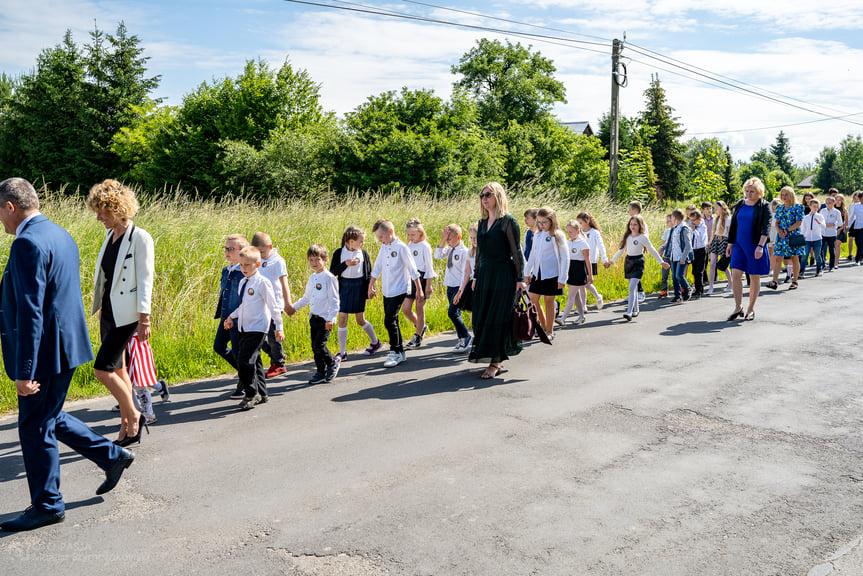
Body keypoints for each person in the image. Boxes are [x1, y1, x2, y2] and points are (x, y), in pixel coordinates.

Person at [0, 177, 134, 532]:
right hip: (66, 345)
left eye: (0, 212)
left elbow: (31, 311)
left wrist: (24, 369)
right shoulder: (60, 234)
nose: (1, 221)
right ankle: (112, 455)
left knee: (34, 426)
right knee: (50, 416)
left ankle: (47, 504)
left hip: (44, 352)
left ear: (10, 207)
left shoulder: (26, 243)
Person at [88, 179, 154, 446]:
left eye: (102, 212)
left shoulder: (140, 237)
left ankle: (135, 415)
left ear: (117, 209)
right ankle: (126, 426)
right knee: (121, 370)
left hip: (127, 315)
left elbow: (146, 279)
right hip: (109, 311)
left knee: (102, 370)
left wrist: (145, 318)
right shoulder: (109, 235)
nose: (98, 218)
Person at [468, 182, 526, 380]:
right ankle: (491, 355)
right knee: (481, 317)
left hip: (503, 275)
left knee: (497, 317)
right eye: (482, 195)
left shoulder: (508, 221)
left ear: (498, 196)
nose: (484, 198)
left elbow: (516, 252)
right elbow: (479, 253)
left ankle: (495, 362)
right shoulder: (482, 222)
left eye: (488, 195)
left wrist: (520, 279)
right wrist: (475, 276)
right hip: (485, 276)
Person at [224, 246, 282, 409]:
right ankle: (262, 393)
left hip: (258, 327)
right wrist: (231, 317)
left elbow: (273, 306)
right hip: (245, 327)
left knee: (244, 360)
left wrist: (279, 327)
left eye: (247, 265)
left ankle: (251, 393)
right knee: (254, 360)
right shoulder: (243, 281)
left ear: (257, 264)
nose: (244, 268)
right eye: (241, 265)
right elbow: (244, 306)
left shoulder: (263, 282)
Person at [368, 219, 423, 369]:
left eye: (381, 237)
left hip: (400, 289)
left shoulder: (402, 248)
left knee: (389, 320)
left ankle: (396, 351)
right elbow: (377, 267)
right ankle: (400, 352)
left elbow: (413, 270)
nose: (380, 240)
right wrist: (371, 285)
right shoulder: (384, 247)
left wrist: (419, 289)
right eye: (378, 237)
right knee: (392, 320)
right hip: (387, 290)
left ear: (390, 232)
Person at [286, 245, 340, 384]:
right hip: (314, 317)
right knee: (314, 347)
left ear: (325, 260)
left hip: (325, 319)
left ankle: (332, 363)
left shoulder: (329, 278)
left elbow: (335, 301)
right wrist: (294, 307)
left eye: (317, 259)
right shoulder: (312, 277)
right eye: (311, 260)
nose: (314, 263)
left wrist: (331, 319)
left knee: (319, 345)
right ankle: (320, 371)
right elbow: (307, 298)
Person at [330, 225, 381, 362]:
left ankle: (375, 342)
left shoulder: (363, 254)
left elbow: (369, 273)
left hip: (359, 287)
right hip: (344, 287)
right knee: (342, 318)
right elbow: (332, 272)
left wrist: (371, 288)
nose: (363, 244)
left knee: (360, 319)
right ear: (351, 241)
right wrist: (345, 264)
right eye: (361, 241)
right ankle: (342, 352)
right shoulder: (339, 253)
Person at [606, 215, 669, 321]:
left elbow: (652, 249)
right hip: (628, 262)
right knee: (633, 288)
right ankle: (636, 309)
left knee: (632, 287)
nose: (633, 226)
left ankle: (629, 312)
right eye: (631, 224)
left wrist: (661, 262)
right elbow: (621, 250)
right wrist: (611, 262)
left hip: (638, 262)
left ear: (640, 225)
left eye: (635, 224)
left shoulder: (643, 237)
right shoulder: (628, 236)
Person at [726, 177, 771, 321]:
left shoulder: (764, 206)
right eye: (747, 191)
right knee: (736, 275)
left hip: (754, 245)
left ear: (759, 192)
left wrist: (760, 246)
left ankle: (751, 308)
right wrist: (730, 243)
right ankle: (738, 307)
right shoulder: (740, 204)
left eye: (752, 191)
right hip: (739, 245)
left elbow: (766, 227)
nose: (749, 194)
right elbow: (734, 225)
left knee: (753, 276)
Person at [251, 232, 292, 378]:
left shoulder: (277, 261)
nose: (260, 255)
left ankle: (279, 364)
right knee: (257, 335)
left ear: (270, 247)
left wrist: (287, 302)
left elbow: (284, 282)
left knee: (274, 336)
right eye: (257, 253)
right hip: (260, 305)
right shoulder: (258, 259)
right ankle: (277, 354)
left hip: (274, 305)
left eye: (262, 252)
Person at [525, 206, 568, 338]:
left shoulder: (558, 235)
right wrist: (527, 272)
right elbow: (533, 254)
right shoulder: (537, 234)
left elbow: (565, 257)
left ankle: (549, 331)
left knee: (549, 301)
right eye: (539, 222)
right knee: (533, 297)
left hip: (552, 274)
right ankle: (543, 326)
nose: (541, 225)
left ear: (552, 221)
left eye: (544, 222)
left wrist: (563, 278)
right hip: (538, 273)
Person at [215, 234, 249, 400]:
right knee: (219, 346)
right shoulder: (226, 270)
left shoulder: (244, 272)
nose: (227, 251)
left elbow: (246, 298)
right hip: (225, 316)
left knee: (238, 350)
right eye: (226, 248)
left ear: (242, 251)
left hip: (238, 318)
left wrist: (234, 318)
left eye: (231, 249)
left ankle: (244, 382)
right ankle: (247, 371)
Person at [434, 224, 472, 352]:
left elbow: (464, 274)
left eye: (450, 238)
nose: (448, 241)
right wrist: (443, 240)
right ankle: (461, 338)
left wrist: (460, 291)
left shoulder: (464, 252)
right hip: (449, 285)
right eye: (447, 238)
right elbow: (437, 255)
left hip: (458, 287)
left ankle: (466, 336)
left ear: (459, 237)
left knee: (452, 313)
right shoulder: (449, 248)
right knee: (456, 313)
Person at [403, 218, 436, 349]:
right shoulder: (409, 246)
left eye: (413, 234)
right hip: (410, 279)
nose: (410, 237)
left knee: (419, 308)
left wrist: (428, 285)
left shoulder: (425, 246)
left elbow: (429, 267)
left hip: (422, 278)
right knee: (406, 309)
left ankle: (417, 337)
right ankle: (421, 327)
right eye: (409, 234)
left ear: (420, 232)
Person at [766, 186, 804, 291]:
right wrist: (779, 230)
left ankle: (795, 281)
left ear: (791, 195)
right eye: (782, 194)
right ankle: (774, 281)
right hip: (781, 236)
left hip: (793, 235)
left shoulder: (798, 207)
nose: (784, 196)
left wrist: (787, 230)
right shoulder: (779, 207)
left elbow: (798, 222)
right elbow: (777, 222)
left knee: (794, 258)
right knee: (778, 257)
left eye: (786, 194)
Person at [560, 220, 592, 325]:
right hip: (570, 269)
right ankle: (582, 316)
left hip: (579, 270)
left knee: (571, 296)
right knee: (576, 295)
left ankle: (563, 318)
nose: (569, 234)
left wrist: (590, 275)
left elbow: (588, 260)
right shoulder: (568, 243)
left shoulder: (583, 243)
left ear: (578, 232)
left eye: (571, 232)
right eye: (567, 232)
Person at [576, 212, 606, 309]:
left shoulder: (594, 233)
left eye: (580, 223)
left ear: (587, 221)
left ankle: (598, 296)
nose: (579, 225)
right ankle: (583, 306)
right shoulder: (579, 233)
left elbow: (601, 246)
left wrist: (605, 259)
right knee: (582, 285)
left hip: (591, 261)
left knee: (586, 283)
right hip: (581, 261)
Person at [707, 201, 732, 295]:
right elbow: (714, 232)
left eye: (717, 208)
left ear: (722, 208)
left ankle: (730, 284)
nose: (715, 210)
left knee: (722, 264)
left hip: (724, 240)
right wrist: (710, 242)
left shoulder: (728, 219)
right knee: (712, 263)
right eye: (715, 208)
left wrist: (729, 246)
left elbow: (729, 234)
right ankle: (710, 287)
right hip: (716, 240)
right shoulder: (716, 219)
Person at [800, 198, 826, 277]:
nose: (816, 208)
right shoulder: (806, 217)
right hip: (807, 239)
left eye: (817, 207)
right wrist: (802, 237)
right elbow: (803, 229)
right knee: (805, 256)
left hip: (817, 239)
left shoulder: (820, 216)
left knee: (817, 255)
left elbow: (824, 227)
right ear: (810, 206)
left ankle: (819, 269)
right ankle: (801, 271)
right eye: (814, 206)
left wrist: (819, 222)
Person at [628, 201, 647, 303]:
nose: (628, 211)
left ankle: (640, 292)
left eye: (630, 209)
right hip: (631, 252)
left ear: (635, 210)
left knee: (636, 274)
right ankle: (632, 294)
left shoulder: (641, 222)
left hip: (638, 253)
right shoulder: (632, 221)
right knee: (631, 274)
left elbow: (645, 235)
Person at [688, 209, 708, 299]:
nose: (692, 222)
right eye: (691, 220)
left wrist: (693, 230)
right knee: (694, 271)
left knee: (699, 271)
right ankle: (697, 289)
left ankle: (699, 291)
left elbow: (700, 238)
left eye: (694, 220)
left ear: (699, 219)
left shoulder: (703, 227)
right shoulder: (692, 227)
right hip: (693, 250)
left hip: (701, 250)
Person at [819, 196, 842, 271]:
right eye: (826, 203)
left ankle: (831, 266)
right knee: (820, 249)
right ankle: (822, 263)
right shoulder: (822, 211)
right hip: (823, 233)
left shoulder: (836, 212)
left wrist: (833, 224)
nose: (828, 204)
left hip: (832, 233)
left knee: (831, 250)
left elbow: (840, 222)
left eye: (829, 203)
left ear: (834, 203)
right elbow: (819, 220)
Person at [658, 214, 674, 298]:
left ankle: (678, 290)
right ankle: (664, 290)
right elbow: (664, 243)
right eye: (667, 221)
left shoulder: (677, 230)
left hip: (674, 256)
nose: (668, 223)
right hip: (666, 256)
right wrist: (661, 251)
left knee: (675, 274)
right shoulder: (666, 232)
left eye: (669, 221)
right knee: (664, 274)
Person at [846, 191, 863, 264]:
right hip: (857, 226)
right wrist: (849, 226)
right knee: (857, 242)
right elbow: (853, 216)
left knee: (860, 243)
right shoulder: (856, 205)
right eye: (861, 198)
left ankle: (857, 259)